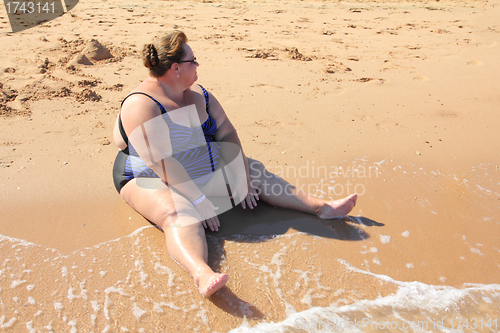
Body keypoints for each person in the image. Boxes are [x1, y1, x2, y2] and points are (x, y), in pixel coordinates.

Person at [112, 31, 357, 297]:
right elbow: (162, 163)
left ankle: (321, 207)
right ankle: (202, 272)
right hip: (148, 175)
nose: (197, 65)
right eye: (193, 61)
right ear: (175, 68)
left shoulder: (199, 94)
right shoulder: (141, 104)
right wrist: (199, 199)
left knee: (254, 171)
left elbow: (227, 133)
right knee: (181, 212)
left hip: (196, 161)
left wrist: (241, 177)